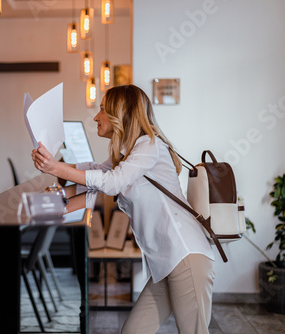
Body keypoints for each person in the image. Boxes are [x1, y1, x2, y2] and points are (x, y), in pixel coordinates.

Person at [31, 84, 215, 334]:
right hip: (165, 262)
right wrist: (51, 178)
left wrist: (56, 169)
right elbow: (96, 174)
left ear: (122, 114)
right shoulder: (126, 155)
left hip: (185, 255)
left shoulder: (149, 146)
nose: (96, 117)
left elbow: (110, 183)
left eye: (103, 110)